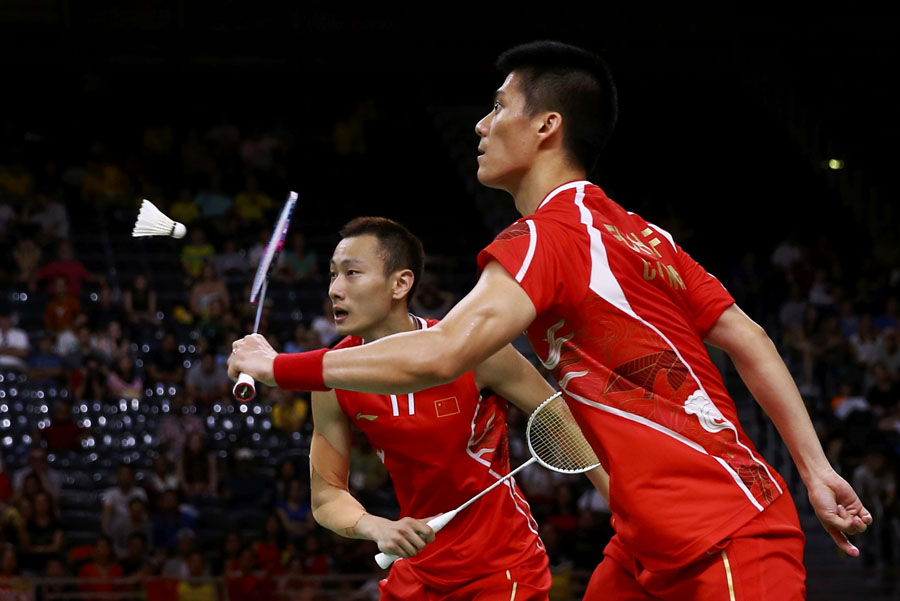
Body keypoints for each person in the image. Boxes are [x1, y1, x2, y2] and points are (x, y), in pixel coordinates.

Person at [228, 41, 871, 600]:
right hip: (642, 548)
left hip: (723, 530)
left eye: (499, 106)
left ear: (547, 126)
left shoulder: (547, 237)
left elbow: (438, 353)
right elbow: (748, 339)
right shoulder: (640, 233)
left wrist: (277, 366)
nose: (481, 124)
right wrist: (814, 471)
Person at [307, 217, 570, 600]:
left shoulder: (475, 351)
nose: (335, 289)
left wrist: (629, 513)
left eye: (351, 273)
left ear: (401, 284)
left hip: (502, 565)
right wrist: (375, 526)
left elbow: (564, 423)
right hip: (418, 568)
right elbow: (326, 494)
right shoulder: (334, 377)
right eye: (332, 275)